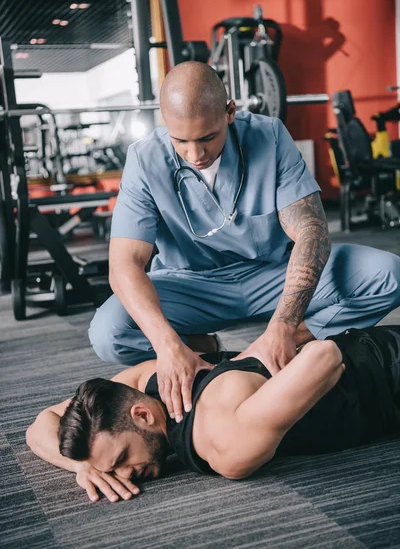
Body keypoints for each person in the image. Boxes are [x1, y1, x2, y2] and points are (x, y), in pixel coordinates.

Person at [88, 61, 400, 424]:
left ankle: (273, 346)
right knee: (109, 332)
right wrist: (168, 346)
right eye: (180, 141)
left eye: (207, 138)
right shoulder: (144, 159)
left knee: (389, 274)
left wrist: (283, 326)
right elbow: (124, 264)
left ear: (230, 112)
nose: (194, 154)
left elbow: (312, 231)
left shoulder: (269, 135)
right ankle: (204, 348)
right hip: (191, 285)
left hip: (273, 274)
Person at [26, 325, 400, 503]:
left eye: (122, 458)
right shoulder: (143, 382)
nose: (123, 475)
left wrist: (265, 353)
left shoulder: (222, 445)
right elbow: (38, 426)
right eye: (113, 469)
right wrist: (81, 466)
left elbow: (325, 356)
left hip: (385, 374)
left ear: (141, 416)